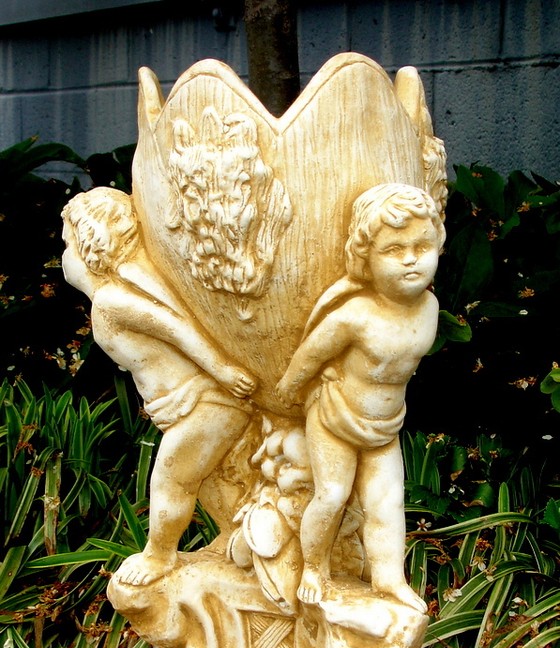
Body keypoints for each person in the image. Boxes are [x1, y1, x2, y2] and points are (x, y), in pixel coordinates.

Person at [62, 187, 256, 586]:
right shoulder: (109, 297)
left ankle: (159, 555)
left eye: (66, 245)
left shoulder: (113, 300)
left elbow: (176, 327)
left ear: (90, 245)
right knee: (208, 481)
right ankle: (237, 539)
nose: (63, 255)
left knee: (172, 476)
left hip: (206, 399)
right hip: (179, 406)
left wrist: (220, 370)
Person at [275, 183, 445, 609]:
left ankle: (389, 579)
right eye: (394, 250)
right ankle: (314, 568)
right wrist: (290, 393)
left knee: (388, 501)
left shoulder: (429, 309)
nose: (411, 259)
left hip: (386, 423)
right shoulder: (355, 316)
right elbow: (309, 356)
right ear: (365, 259)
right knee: (331, 496)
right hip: (336, 417)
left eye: (422, 246)